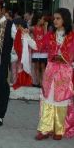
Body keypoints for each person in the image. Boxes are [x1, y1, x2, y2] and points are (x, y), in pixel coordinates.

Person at [35, 8, 74, 141]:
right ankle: (45, 129)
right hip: (51, 70)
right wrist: (26, 37)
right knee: (49, 97)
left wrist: (70, 62)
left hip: (64, 72)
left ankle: (59, 129)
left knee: (61, 99)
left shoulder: (72, 36)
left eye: (58, 18)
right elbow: (38, 46)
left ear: (65, 20)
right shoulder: (50, 35)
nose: (55, 21)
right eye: (54, 18)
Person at [30, 12, 48, 87]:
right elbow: (30, 37)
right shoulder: (32, 28)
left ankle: (43, 82)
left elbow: (46, 37)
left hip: (43, 50)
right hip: (36, 50)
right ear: (39, 19)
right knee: (36, 66)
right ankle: (37, 82)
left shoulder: (43, 28)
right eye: (43, 19)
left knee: (43, 66)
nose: (44, 21)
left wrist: (46, 28)